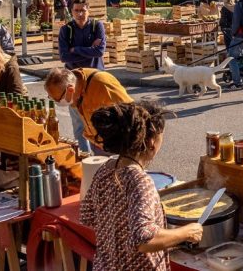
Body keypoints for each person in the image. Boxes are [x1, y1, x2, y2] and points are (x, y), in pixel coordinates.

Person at [80, 102, 202, 271]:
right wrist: (187, 232)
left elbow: (87, 216)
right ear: (152, 141)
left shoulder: (105, 168)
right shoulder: (139, 180)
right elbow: (144, 240)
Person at [45, 67, 133, 155]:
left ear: (70, 90)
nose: (57, 103)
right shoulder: (75, 89)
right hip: (98, 144)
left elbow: (131, 114)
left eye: (58, 99)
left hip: (118, 146)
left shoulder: (102, 84)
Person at [58, 0, 107, 152]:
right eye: (76, 10)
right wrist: (88, 50)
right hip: (74, 82)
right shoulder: (66, 30)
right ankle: (84, 157)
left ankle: (100, 157)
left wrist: (76, 50)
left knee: (98, 122)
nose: (80, 14)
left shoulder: (96, 26)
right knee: (79, 124)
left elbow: (100, 51)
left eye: (83, 10)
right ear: (72, 11)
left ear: (88, 10)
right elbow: (64, 57)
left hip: (95, 80)